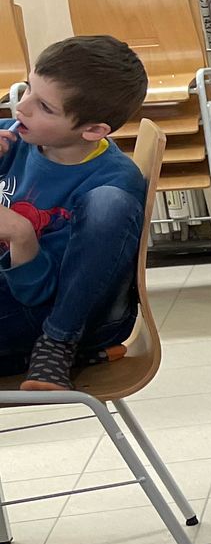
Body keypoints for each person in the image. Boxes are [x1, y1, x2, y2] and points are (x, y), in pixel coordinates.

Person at [0, 37, 150, 389]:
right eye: (28, 87)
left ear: (93, 130)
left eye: (45, 107)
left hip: (59, 313)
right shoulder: (15, 140)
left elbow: (37, 295)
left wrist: (21, 235)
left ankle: (58, 346)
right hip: (12, 299)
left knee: (109, 205)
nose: (22, 107)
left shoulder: (111, 181)